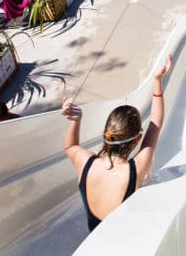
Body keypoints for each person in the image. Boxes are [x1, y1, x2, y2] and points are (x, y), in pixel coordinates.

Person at [62, 55, 173, 232]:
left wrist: (75, 121)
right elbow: (156, 122)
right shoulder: (135, 168)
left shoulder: (86, 163)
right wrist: (157, 80)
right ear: (137, 140)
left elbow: (70, 147)